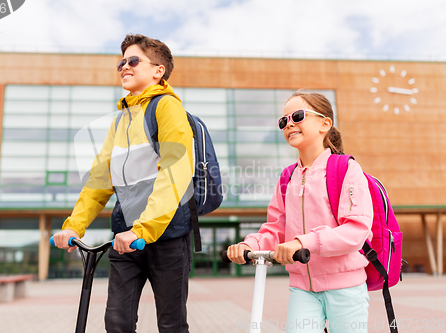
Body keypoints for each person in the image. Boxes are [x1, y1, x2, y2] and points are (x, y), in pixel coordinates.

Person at [53, 34, 194, 333]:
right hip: (125, 238)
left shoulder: (167, 108)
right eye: (121, 62)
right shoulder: (120, 121)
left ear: (158, 71)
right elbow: (99, 181)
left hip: (166, 237)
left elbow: (174, 172)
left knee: (171, 325)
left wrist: (143, 229)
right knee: (117, 322)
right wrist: (73, 226)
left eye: (132, 61)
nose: (123, 67)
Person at [226, 91, 373, 333]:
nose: (289, 124)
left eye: (297, 116)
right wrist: (249, 244)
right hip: (302, 288)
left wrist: (303, 242)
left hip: (345, 286)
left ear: (325, 124)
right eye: (284, 121)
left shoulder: (346, 169)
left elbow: (356, 230)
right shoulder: (287, 177)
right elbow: (276, 227)